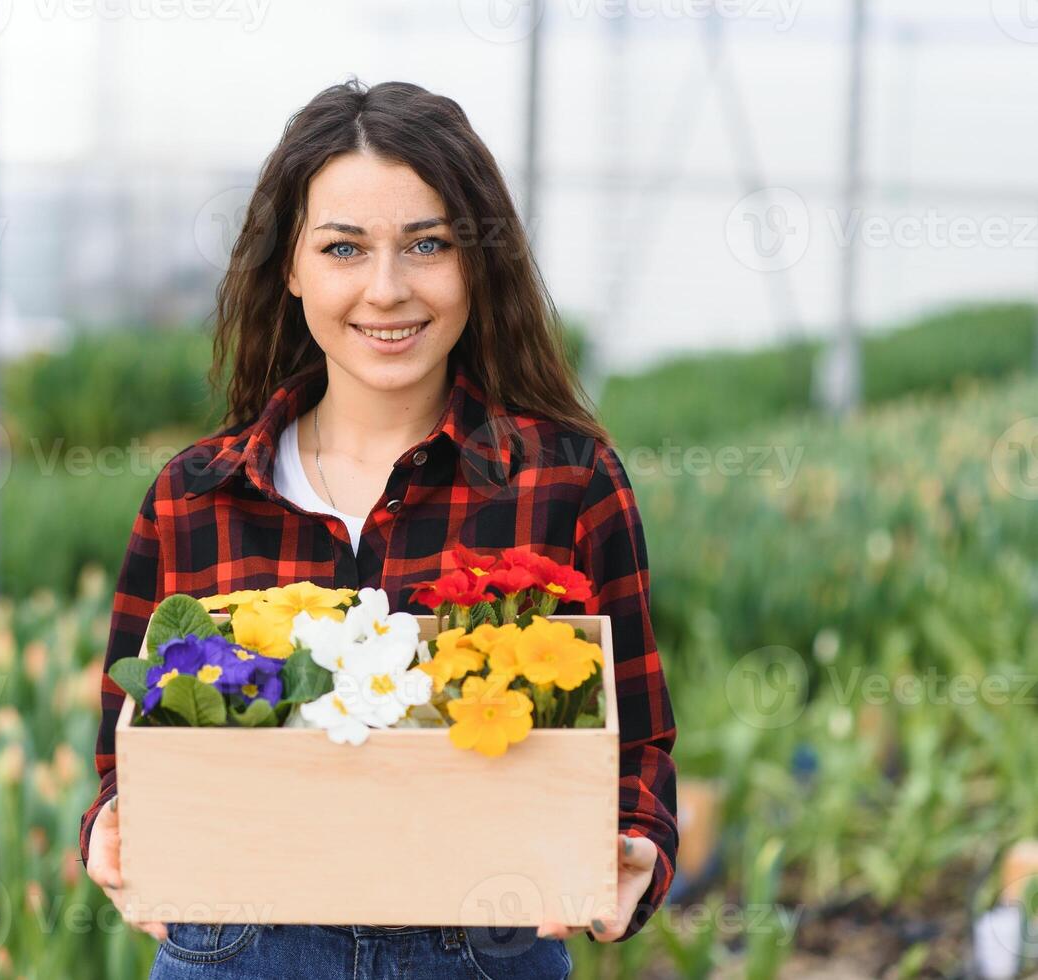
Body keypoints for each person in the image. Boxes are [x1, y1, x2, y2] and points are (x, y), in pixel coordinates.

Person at [79, 77, 677, 979]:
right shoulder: (196, 497)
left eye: (427, 245)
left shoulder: (566, 481)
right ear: (290, 267)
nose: (386, 290)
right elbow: (130, 751)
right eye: (344, 248)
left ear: (479, 261)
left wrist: (635, 844)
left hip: (486, 945)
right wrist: (113, 831)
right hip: (241, 947)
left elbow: (636, 744)